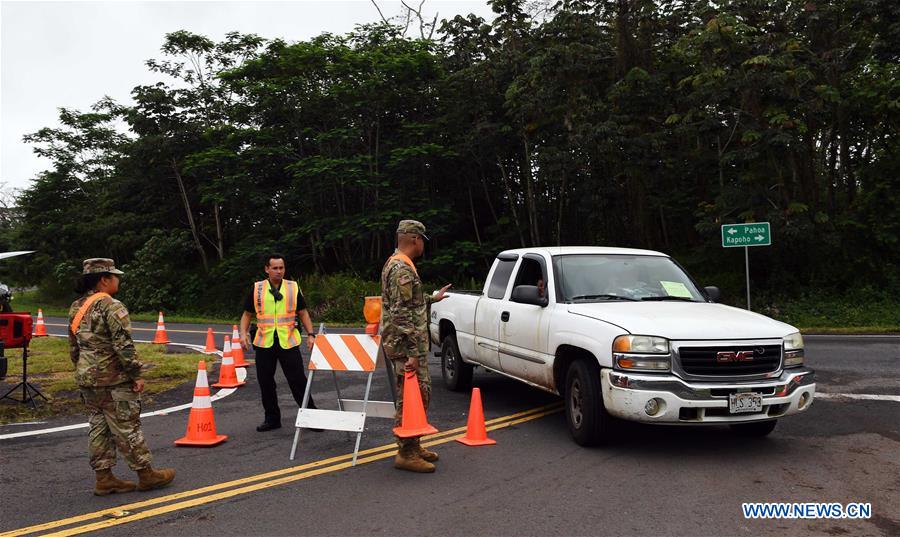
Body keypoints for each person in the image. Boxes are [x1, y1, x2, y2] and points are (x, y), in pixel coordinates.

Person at [68, 258, 175, 496]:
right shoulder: (111, 306)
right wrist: (135, 374)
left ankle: (104, 478)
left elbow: (74, 346)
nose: (118, 280)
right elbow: (123, 345)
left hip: (87, 378)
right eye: (115, 276)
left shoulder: (77, 306)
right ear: (104, 279)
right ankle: (146, 474)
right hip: (113, 378)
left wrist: (82, 369)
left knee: (98, 426)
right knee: (127, 426)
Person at [381, 220, 451, 473]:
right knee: (410, 398)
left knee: (419, 395)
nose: (423, 245)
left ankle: (413, 443)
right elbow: (400, 312)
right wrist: (412, 351)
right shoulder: (401, 268)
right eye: (422, 239)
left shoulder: (399, 264)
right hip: (406, 347)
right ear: (414, 240)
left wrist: (434, 298)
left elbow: (410, 301)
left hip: (407, 345)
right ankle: (406, 452)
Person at [239, 253, 319, 432]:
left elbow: (303, 312)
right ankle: (272, 419)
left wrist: (311, 334)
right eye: (274, 268)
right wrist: (243, 333)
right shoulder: (257, 289)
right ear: (267, 269)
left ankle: (311, 417)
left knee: (298, 380)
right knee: (266, 382)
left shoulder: (293, 287)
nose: (278, 271)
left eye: (281, 268)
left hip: (288, 342)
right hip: (264, 343)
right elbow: (247, 314)